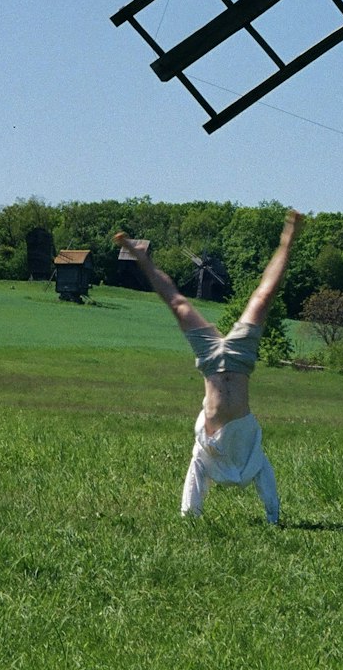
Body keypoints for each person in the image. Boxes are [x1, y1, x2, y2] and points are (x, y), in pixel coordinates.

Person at [113, 211, 303, 523]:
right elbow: (201, 474)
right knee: (178, 303)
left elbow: (263, 475)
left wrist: (273, 517)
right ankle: (138, 253)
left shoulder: (249, 454)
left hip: (224, 359)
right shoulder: (221, 455)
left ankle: (288, 240)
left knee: (264, 295)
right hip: (227, 360)